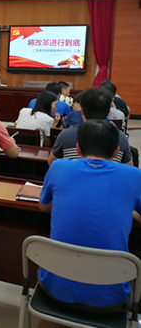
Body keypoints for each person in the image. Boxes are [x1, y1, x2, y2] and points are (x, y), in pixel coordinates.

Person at [39, 120, 141, 313]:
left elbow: (44, 207)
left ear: (78, 149)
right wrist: (128, 210)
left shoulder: (58, 167)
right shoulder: (135, 175)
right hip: (111, 302)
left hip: (55, 292)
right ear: (116, 152)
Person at [48, 87, 132, 165]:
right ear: (108, 113)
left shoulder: (65, 135)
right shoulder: (120, 137)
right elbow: (129, 166)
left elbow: (51, 162)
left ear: (82, 112)